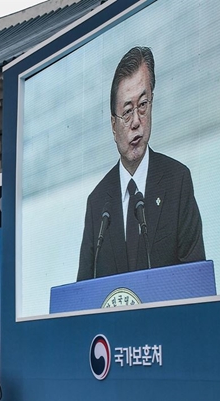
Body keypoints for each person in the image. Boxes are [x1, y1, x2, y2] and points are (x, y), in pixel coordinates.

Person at [77, 46, 205, 281]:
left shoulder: (177, 181)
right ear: (113, 126)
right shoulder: (97, 203)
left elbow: (195, 281)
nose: (136, 121)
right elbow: (84, 293)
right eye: (127, 111)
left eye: (143, 105)